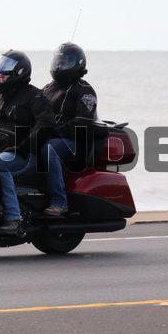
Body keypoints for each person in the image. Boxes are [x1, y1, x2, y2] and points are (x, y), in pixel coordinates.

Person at [0, 49, 55, 234]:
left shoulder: (35, 96)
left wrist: (22, 147)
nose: (0, 74)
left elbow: (45, 125)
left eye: (5, 70)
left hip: (24, 153)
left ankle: (13, 218)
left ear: (19, 72)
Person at [41, 42, 98, 217]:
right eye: (58, 61)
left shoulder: (85, 91)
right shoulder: (49, 88)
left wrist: (53, 130)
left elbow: (83, 123)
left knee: (49, 149)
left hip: (75, 142)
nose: (59, 65)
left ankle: (59, 203)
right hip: (52, 137)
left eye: (65, 62)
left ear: (77, 63)